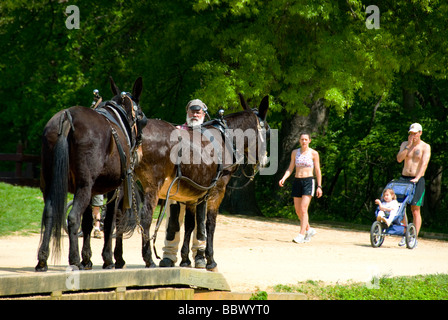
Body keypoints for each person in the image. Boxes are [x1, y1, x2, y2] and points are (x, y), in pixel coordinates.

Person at [160, 99, 208, 267]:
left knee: (199, 221)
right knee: (173, 220)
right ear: (186, 113)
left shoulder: (210, 134)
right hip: (177, 185)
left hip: (200, 187)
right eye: (192, 111)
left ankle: (199, 255)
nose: (195, 114)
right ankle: (169, 255)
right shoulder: (176, 132)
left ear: (204, 114)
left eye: (198, 112)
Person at [279, 133, 323, 243]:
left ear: (309, 141)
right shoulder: (295, 153)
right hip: (297, 181)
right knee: (298, 211)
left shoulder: (314, 153)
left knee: (304, 209)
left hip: (308, 181)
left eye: (306, 139)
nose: (304, 141)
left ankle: (301, 235)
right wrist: (284, 178)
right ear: (299, 140)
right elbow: (290, 168)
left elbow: (317, 170)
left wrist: (319, 186)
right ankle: (309, 230)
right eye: (302, 139)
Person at [396, 123, 431, 245]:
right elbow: (399, 159)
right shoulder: (405, 144)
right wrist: (408, 146)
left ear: (420, 133)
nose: (413, 136)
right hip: (404, 178)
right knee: (400, 208)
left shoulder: (425, 147)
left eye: (415, 133)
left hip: (417, 179)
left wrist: (417, 177)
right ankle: (405, 233)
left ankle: (413, 237)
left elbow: (424, 164)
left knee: (415, 209)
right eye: (411, 133)